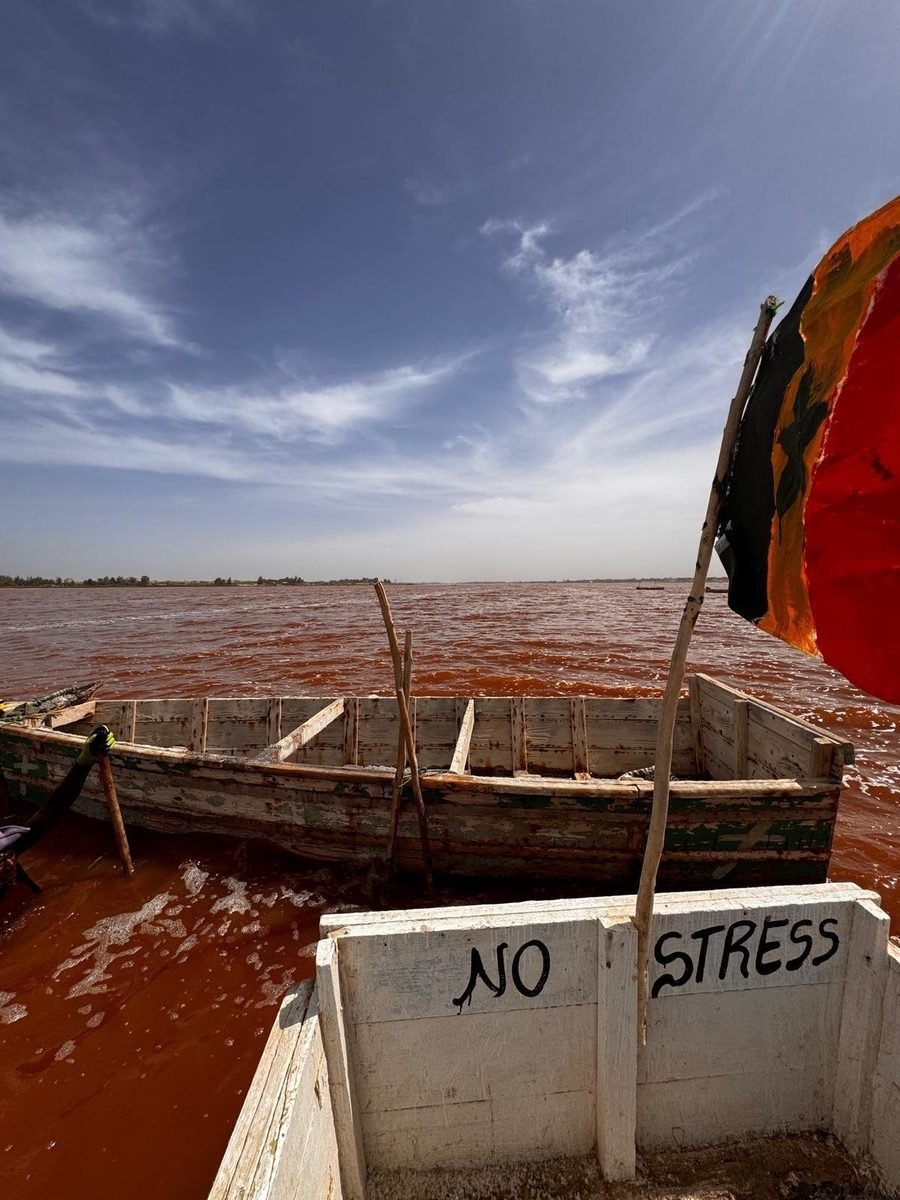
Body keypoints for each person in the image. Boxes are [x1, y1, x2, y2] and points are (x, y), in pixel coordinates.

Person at [0, 725, 116, 897]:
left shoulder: (8, 853)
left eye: (6, 854)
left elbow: (54, 808)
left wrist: (85, 761)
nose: (9, 861)